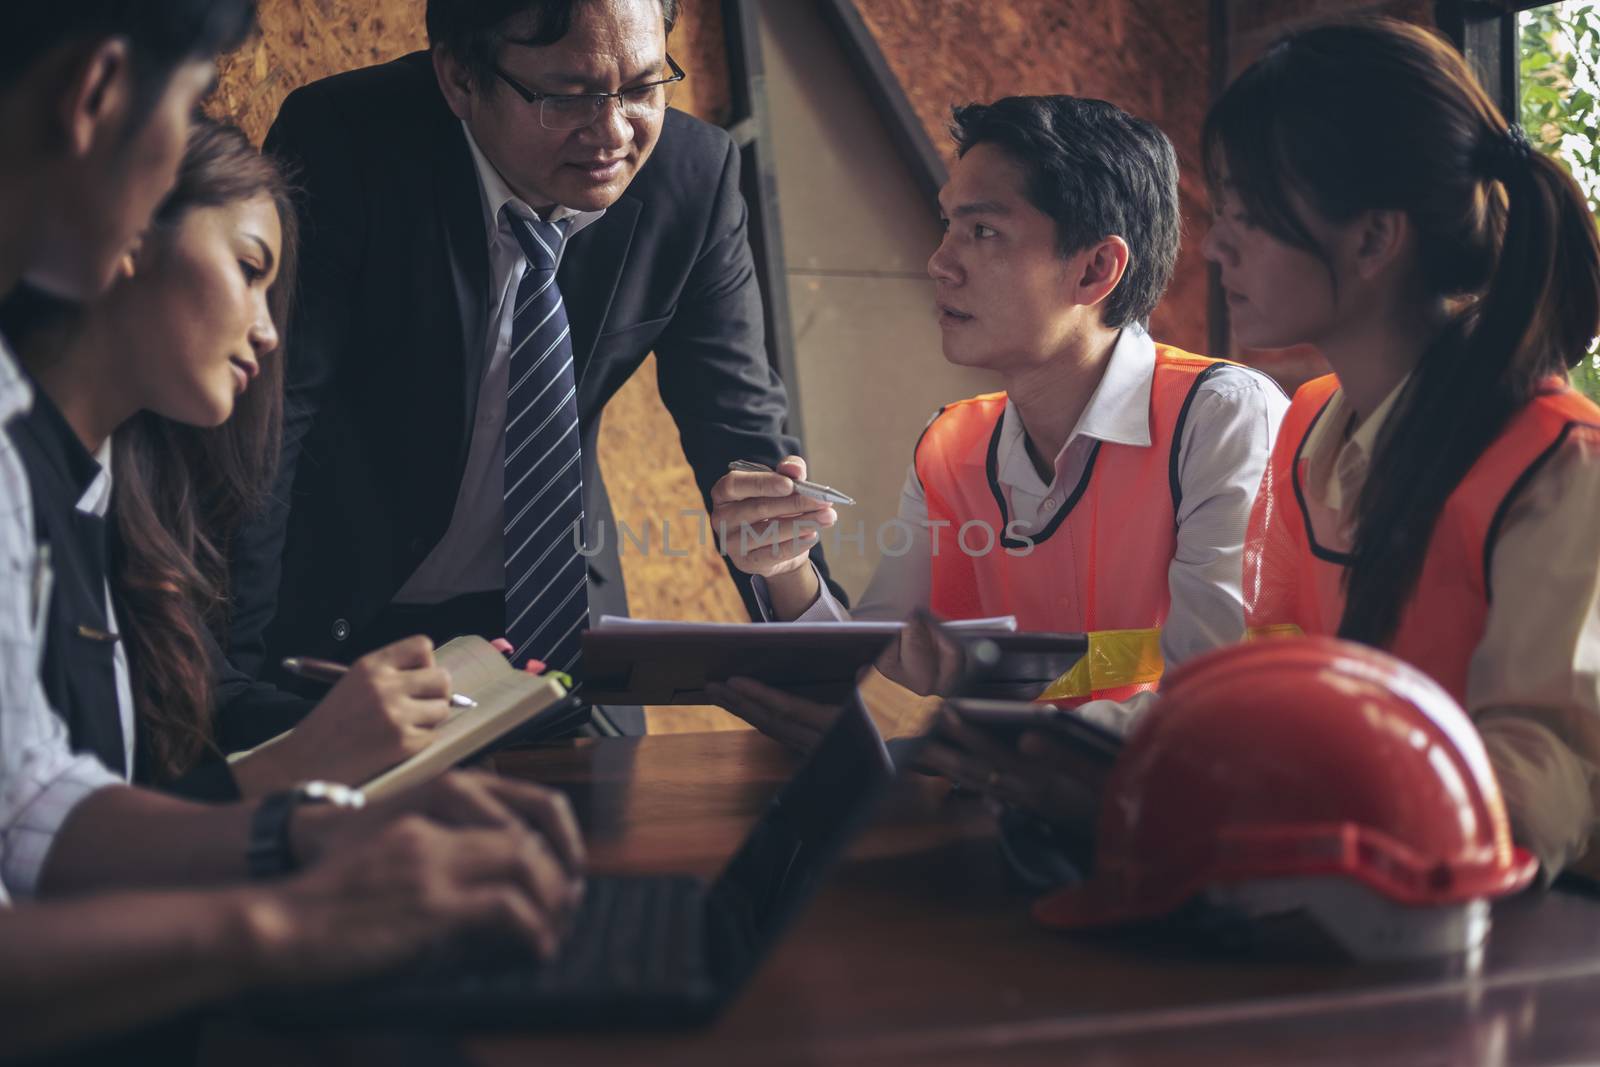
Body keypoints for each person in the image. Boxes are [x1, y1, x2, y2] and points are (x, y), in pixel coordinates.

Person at [0, 5, 582, 1054]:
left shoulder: (67, 482)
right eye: (181, 119)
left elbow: (35, 804)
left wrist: (309, 829)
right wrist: (289, 903)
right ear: (92, 101)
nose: (270, 331)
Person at [926, 18, 1600, 886]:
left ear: (1371, 239)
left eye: (1248, 214)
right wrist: (1087, 747)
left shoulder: (1557, 464)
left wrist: (1215, 804)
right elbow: (1265, 676)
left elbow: (1537, 788)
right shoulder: (1314, 426)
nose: (1215, 245)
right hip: (1342, 919)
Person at [226, 0, 840, 737]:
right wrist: (230, 688)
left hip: (553, 619)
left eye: (644, 88)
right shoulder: (349, 141)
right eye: (566, 96)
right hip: (349, 618)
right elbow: (270, 424)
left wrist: (810, 653)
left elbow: (742, 436)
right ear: (458, 77)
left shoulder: (693, 178)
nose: (614, 132)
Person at [710, 96, 1287, 733]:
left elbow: (1210, 709)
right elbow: (879, 672)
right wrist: (787, 568)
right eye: (949, 225)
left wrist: (951, 738)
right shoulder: (950, 445)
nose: (939, 263)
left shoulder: (1221, 420)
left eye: (982, 231)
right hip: (1000, 809)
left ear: (1096, 269)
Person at [4, 120, 468, 801]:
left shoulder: (122, 499)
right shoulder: (24, 481)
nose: (270, 331)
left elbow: (204, 706)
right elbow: (37, 841)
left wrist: (377, 730)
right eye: (249, 271)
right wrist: (308, 757)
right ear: (133, 227)